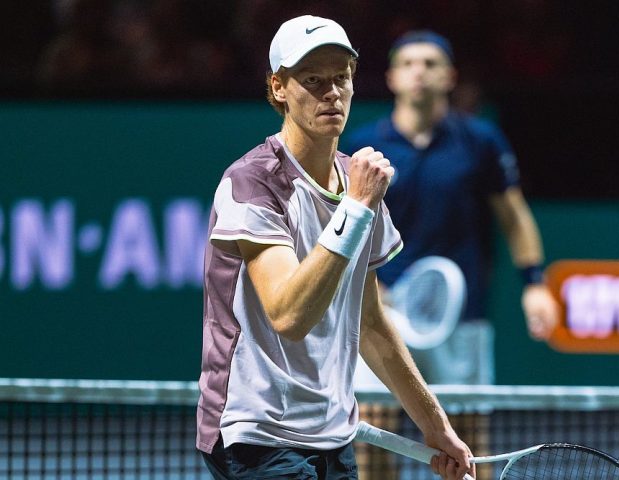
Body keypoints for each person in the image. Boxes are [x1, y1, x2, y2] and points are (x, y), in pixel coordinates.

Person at [196, 16, 475, 480]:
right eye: (312, 79)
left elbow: (371, 324)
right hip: (255, 434)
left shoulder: (356, 182)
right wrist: (358, 208)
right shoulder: (251, 184)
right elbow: (289, 315)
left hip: (333, 434)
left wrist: (435, 424)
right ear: (279, 88)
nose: (331, 91)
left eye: (341, 76)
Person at [344, 30, 559, 384]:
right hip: (382, 311)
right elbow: (348, 226)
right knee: (372, 426)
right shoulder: (364, 146)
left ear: (449, 77)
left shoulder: (480, 141)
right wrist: (367, 287)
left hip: (460, 312)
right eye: (408, 64)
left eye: (430, 64)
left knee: (465, 435)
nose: (419, 72)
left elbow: (514, 216)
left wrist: (534, 284)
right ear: (391, 78)